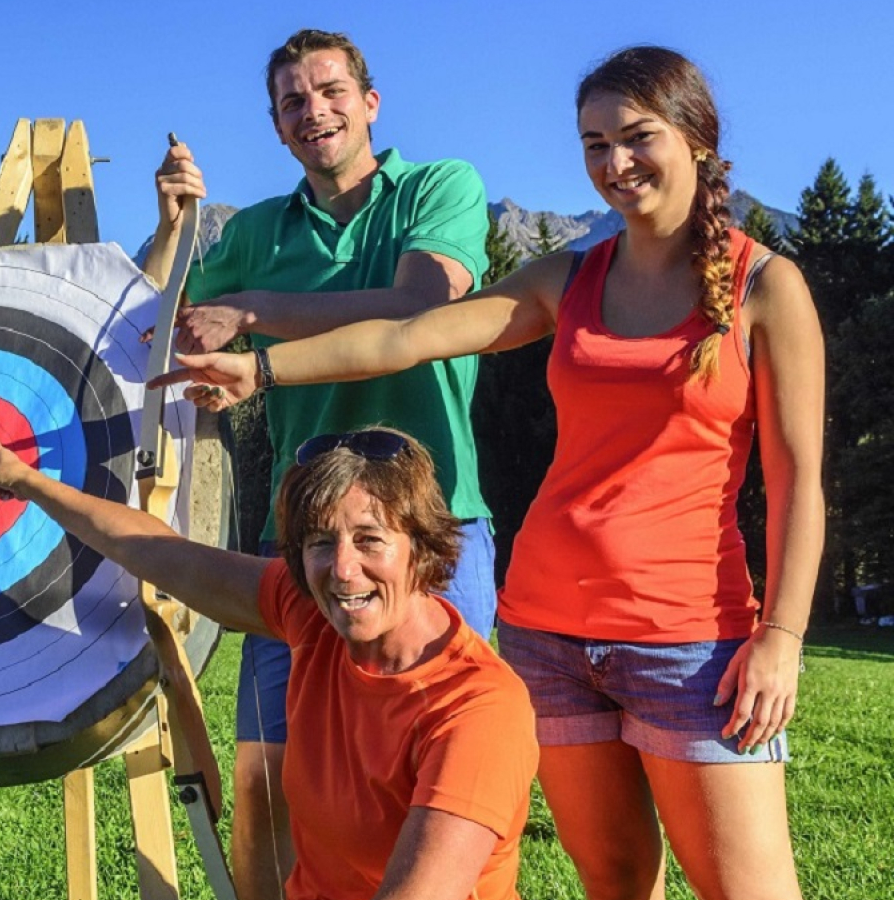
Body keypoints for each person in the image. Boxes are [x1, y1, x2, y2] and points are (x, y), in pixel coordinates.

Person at [158, 46, 823, 900]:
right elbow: (407, 339)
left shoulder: (768, 286)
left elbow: (801, 479)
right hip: (548, 631)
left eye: (636, 137)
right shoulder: (570, 276)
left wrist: (783, 637)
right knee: (614, 881)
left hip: (694, 641)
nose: (614, 164)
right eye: (592, 144)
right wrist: (264, 372)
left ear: (697, 138)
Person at [140, 29, 495, 896]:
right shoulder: (258, 229)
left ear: (370, 103)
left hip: (433, 528)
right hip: (298, 541)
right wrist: (175, 229)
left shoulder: (439, 188)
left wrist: (253, 316)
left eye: (331, 91)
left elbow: (419, 307)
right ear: (276, 126)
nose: (315, 111)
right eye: (294, 102)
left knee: (438, 768)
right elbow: (156, 318)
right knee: (269, 779)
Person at [0, 426, 536, 900]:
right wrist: (29, 483)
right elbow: (164, 555)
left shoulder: (479, 712)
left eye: (369, 540)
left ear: (423, 545)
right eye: (318, 542)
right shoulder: (310, 613)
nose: (342, 569)